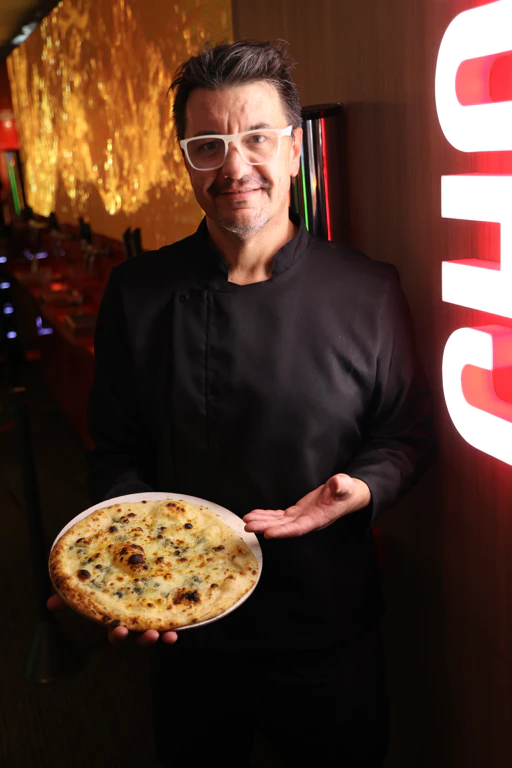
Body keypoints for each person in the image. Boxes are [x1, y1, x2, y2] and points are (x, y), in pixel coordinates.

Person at [49, 40, 435, 768]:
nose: (234, 166)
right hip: (187, 630)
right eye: (208, 146)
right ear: (186, 161)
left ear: (294, 149)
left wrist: (361, 487)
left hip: (326, 626)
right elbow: (117, 450)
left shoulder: (369, 289)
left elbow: (407, 433)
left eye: (257, 137)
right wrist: (132, 574)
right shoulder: (137, 293)